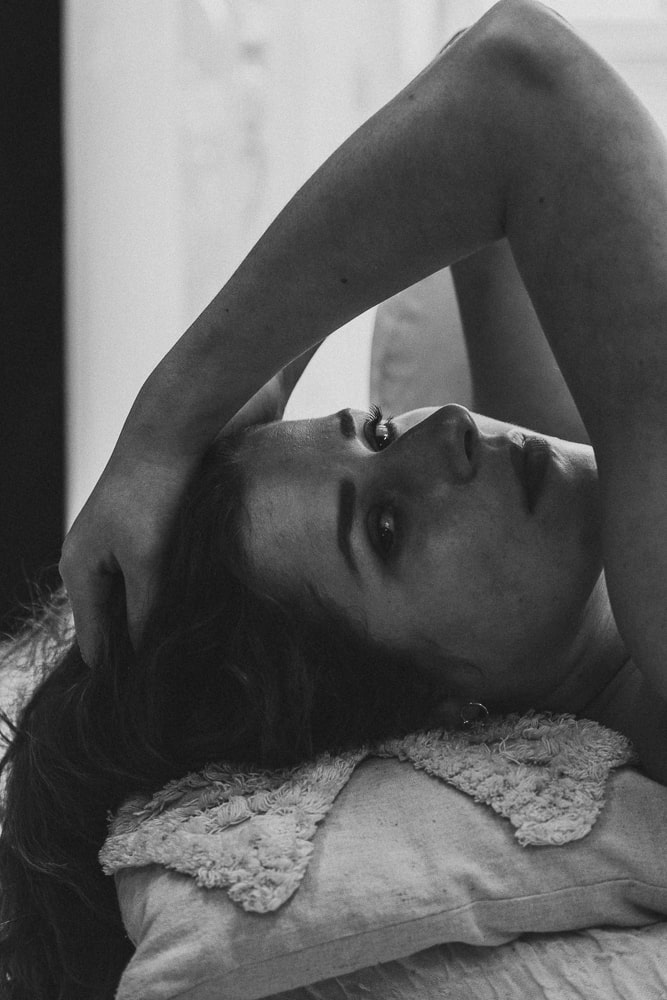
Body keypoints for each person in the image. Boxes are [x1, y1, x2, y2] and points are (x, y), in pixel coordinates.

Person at [2, 1, 667, 996]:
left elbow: (467, 112)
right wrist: (172, 416)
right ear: (435, 713)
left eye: (380, 430)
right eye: (387, 529)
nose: (452, 434)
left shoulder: (571, 560)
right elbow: (522, 83)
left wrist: (255, 389)